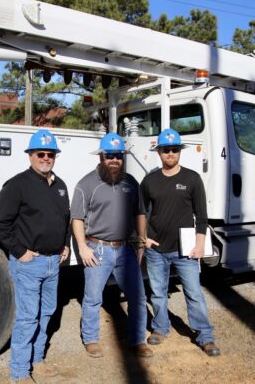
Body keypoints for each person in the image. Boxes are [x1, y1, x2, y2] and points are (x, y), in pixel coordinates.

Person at [0, 129, 70, 382]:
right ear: (30, 156)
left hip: (53, 263)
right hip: (29, 263)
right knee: (27, 318)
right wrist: (20, 252)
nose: (46, 158)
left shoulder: (60, 186)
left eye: (50, 154)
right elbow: (1, 223)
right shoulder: (16, 185)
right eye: (41, 153)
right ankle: (20, 372)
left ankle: (37, 360)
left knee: (47, 312)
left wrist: (65, 244)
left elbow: (64, 219)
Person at [71, 133, 152, 359]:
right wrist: (82, 247)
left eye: (118, 156)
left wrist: (140, 243)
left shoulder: (131, 183)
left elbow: (140, 213)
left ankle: (138, 340)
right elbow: (76, 218)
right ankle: (91, 339)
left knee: (137, 296)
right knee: (93, 298)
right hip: (97, 249)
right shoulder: (86, 184)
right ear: (101, 157)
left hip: (125, 249)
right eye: (110, 156)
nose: (114, 160)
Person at [141, 128, 220, 357]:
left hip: (186, 250)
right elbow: (141, 212)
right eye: (166, 150)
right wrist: (144, 237)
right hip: (156, 250)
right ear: (159, 152)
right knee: (157, 293)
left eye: (174, 149)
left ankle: (205, 336)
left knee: (194, 293)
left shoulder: (192, 178)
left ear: (179, 152)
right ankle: (160, 328)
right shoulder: (149, 181)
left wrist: (199, 244)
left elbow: (202, 216)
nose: (170, 153)